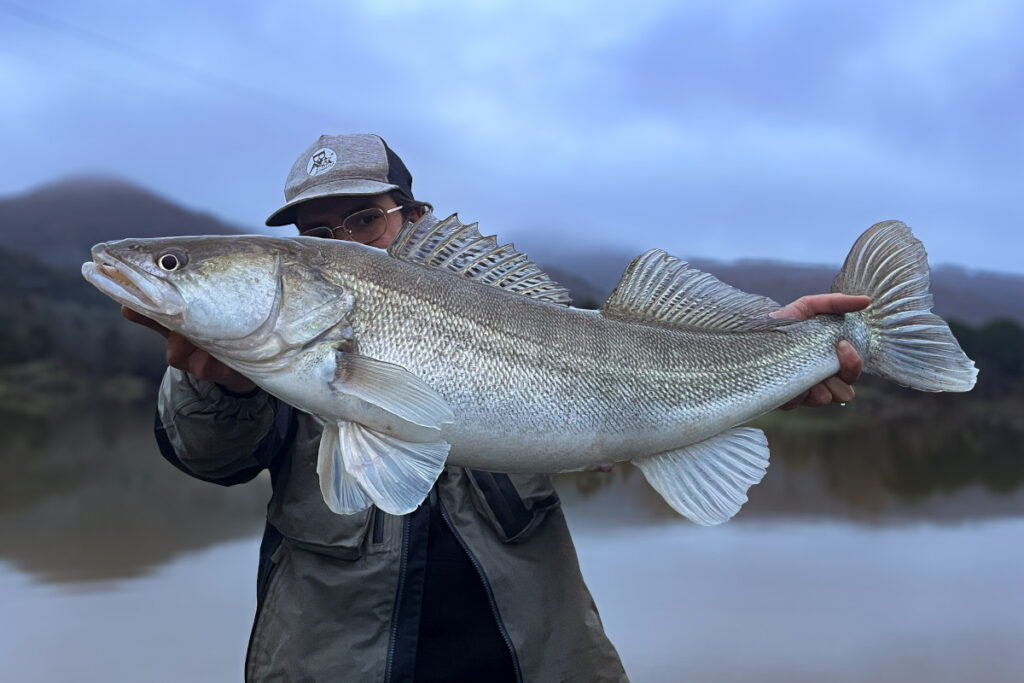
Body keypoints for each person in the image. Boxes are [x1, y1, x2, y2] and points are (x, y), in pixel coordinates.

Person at [124, 133, 865, 682]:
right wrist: (217, 384)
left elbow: (639, 387)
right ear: (290, 257)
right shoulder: (272, 364)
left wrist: (776, 348)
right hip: (334, 657)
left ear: (414, 216)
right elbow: (208, 457)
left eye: (364, 219)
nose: (343, 242)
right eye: (317, 234)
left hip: (531, 654)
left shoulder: (502, 304)